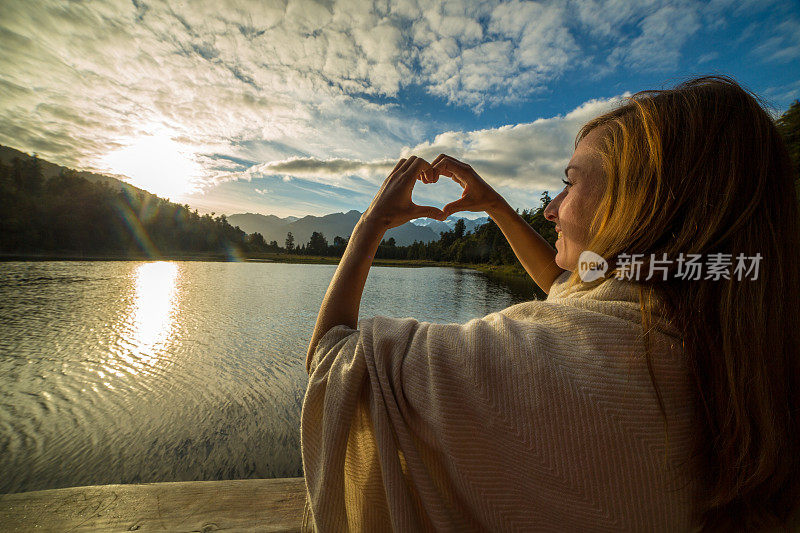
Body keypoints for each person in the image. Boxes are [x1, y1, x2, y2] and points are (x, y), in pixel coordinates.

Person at [300, 75, 800, 531]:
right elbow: (567, 283)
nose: (550, 208)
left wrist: (370, 226)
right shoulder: (725, 331)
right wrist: (494, 204)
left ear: (641, 199)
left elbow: (334, 359)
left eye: (570, 180)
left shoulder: (548, 362)